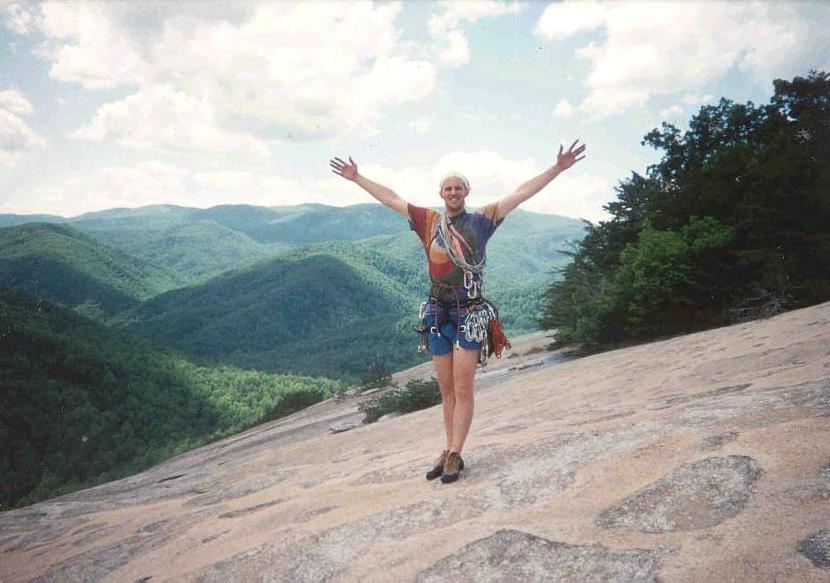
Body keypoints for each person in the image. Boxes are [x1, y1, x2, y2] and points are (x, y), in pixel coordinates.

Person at [330, 140, 586, 483]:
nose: (453, 192)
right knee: (446, 389)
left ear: (467, 191)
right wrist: (358, 178)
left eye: (458, 188)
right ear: (441, 192)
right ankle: (448, 447)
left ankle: (455, 453)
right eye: (448, 188)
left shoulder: (483, 219)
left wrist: (557, 168)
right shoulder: (428, 220)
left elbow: (521, 193)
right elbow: (392, 199)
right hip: (437, 311)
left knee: (463, 387)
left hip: (469, 311)